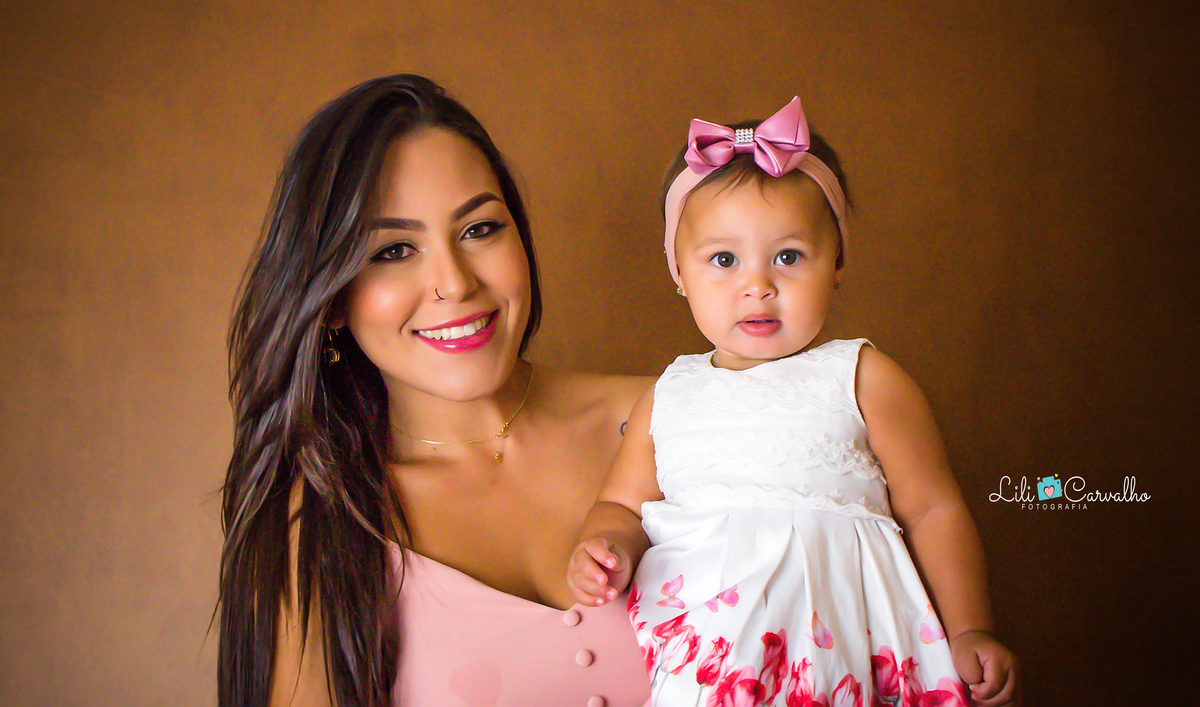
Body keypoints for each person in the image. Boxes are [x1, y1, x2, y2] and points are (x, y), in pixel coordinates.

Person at [566, 98, 1020, 706]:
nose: (758, 285)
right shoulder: (671, 394)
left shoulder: (861, 376)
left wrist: (970, 629)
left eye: (789, 256)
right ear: (679, 270)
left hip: (848, 656)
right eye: (723, 260)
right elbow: (621, 503)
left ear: (838, 263)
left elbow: (934, 508)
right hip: (716, 663)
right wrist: (607, 546)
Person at [218, 74, 653, 707]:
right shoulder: (316, 525)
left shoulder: (673, 417)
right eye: (393, 250)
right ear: (332, 298)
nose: (453, 282)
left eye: (479, 230)